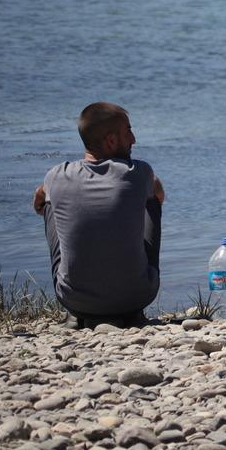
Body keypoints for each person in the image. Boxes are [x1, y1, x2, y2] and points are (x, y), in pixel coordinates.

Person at [33, 102, 165, 329]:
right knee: (150, 201)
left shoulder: (56, 175)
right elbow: (159, 194)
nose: (133, 140)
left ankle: (75, 313)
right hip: (137, 297)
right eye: (128, 132)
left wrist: (43, 194)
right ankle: (133, 310)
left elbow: (39, 199)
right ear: (111, 141)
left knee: (51, 203)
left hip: (75, 301)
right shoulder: (139, 172)